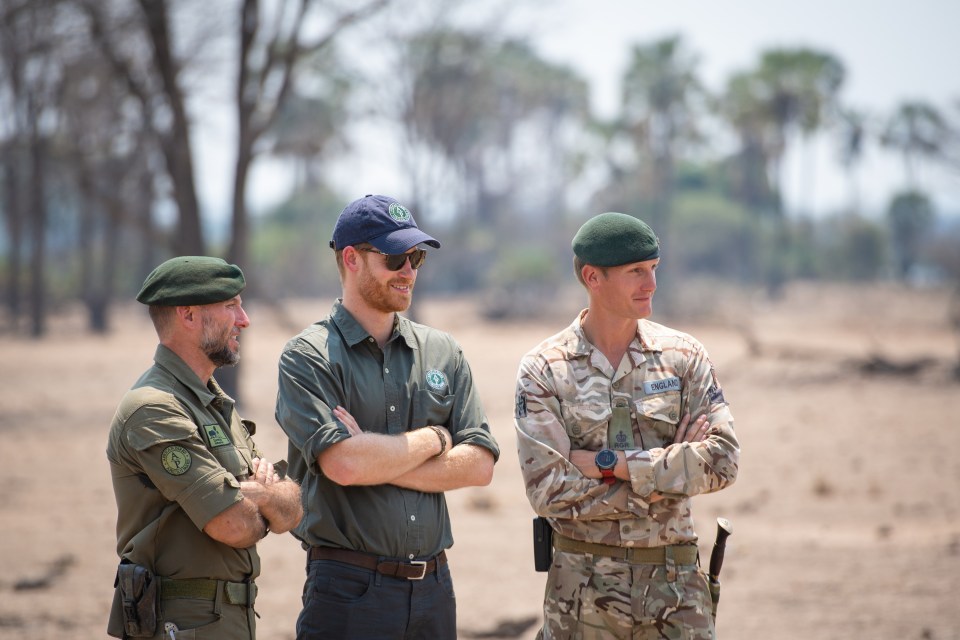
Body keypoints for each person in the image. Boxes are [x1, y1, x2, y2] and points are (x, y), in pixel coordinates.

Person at [275, 194, 500, 639]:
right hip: (347, 589)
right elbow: (343, 464)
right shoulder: (308, 356)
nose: (409, 271)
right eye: (395, 257)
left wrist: (378, 461)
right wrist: (435, 439)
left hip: (436, 589)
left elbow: (480, 466)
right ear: (351, 259)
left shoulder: (443, 351)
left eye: (416, 257)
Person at [514, 212, 740, 639]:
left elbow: (724, 460)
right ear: (592, 277)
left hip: (676, 595)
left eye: (653, 269)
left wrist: (609, 464)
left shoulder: (683, 356)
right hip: (580, 595)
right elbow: (549, 491)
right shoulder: (545, 368)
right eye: (635, 271)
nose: (651, 283)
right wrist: (667, 481)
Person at [106, 256, 303, 640]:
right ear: (189, 315)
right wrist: (262, 496)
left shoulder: (212, 402)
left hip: (227, 619)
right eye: (231, 306)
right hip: (179, 624)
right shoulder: (155, 408)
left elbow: (293, 508)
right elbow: (233, 524)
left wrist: (254, 493)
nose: (244, 320)